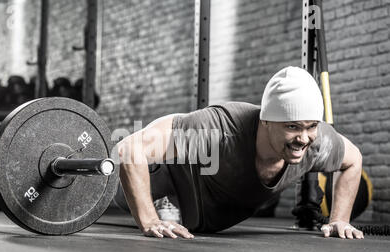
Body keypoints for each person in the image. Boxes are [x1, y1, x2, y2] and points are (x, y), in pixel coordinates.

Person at [114, 66, 364, 240]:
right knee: (123, 167)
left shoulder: (316, 142)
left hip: (200, 220)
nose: (303, 138)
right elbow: (129, 149)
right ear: (266, 120)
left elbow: (353, 160)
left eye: (311, 126)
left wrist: (339, 219)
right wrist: (148, 220)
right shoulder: (221, 129)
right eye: (292, 127)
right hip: (147, 184)